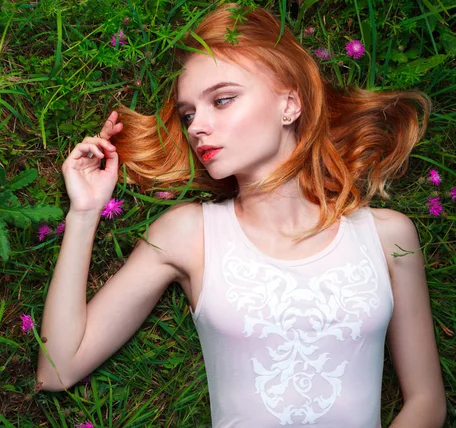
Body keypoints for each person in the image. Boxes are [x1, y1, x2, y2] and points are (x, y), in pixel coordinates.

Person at [36, 3, 446, 427]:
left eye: (223, 99)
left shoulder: (387, 235)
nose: (196, 127)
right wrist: (84, 213)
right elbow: (57, 369)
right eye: (189, 114)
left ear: (290, 104)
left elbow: (427, 403)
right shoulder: (188, 234)